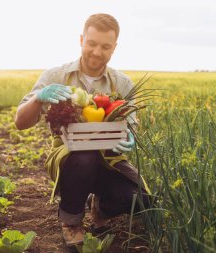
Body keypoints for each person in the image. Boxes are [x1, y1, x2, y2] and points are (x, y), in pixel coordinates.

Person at [15, 13, 150, 247]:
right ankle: (71, 220)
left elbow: (132, 124)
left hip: (110, 159)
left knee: (140, 199)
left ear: (114, 48)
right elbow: (20, 122)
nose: (97, 52)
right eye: (92, 43)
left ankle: (101, 208)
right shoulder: (57, 76)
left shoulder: (122, 84)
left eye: (105, 46)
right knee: (84, 155)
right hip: (69, 158)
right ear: (81, 40)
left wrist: (130, 137)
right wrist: (38, 98)